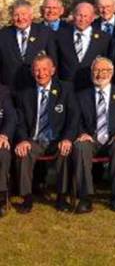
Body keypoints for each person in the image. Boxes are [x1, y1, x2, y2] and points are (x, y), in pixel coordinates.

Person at [13, 53, 79, 213]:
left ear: (53, 70)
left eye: (44, 69)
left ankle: (61, 197)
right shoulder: (24, 94)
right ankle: (27, 198)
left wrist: (67, 139)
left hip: (57, 139)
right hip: (34, 140)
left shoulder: (65, 89)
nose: (41, 73)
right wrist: (23, 140)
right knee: (23, 152)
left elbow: (73, 117)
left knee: (65, 151)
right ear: (32, 72)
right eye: (36, 70)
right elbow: (19, 121)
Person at [72, 57, 115, 213]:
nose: (100, 74)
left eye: (104, 70)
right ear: (91, 73)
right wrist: (82, 133)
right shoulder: (81, 95)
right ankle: (86, 198)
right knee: (80, 146)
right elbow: (74, 119)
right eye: (96, 70)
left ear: (111, 73)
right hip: (91, 139)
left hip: (114, 139)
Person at [50, 2, 111, 91]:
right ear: (74, 16)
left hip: (91, 89)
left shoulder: (104, 38)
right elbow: (54, 63)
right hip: (65, 89)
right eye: (79, 15)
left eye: (86, 16)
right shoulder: (60, 36)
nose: (82, 19)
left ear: (92, 18)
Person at [0, 0, 55, 91]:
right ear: (12, 17)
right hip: (9, 90)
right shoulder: (3, 35)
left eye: (23, 14)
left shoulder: (44, 32)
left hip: (36, 90)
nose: (20, 18)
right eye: (16, 15)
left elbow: (53, 60)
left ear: (31, 15)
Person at [0, 81, 16, 215]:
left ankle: (1, 196)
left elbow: (11, 117)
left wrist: (4, 135)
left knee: (3, 153)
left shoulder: (3, 91)